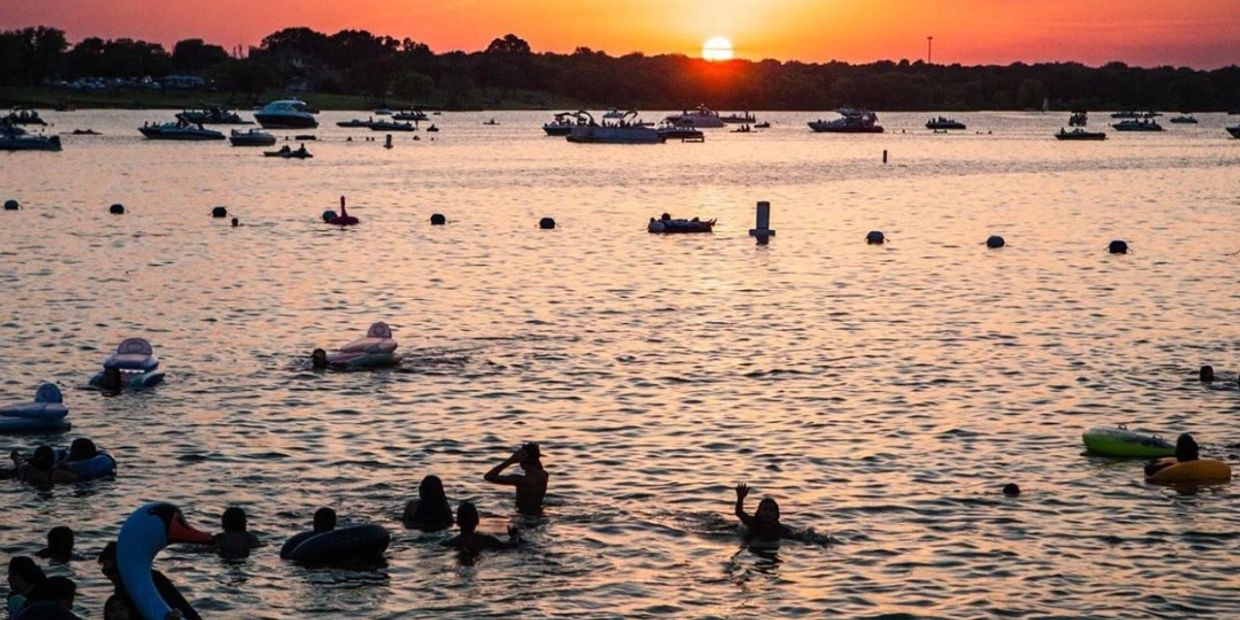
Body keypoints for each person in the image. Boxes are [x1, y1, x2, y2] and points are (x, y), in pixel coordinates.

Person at [99, 541, 200, 620]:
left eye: (112, 571)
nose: (109, 577)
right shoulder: (121, 589)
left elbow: (180, 608)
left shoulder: (151, 580)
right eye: (105, 572)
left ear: (122, 567)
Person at [484, 443, 548, 515]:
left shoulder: (521, 480)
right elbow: (538, 466)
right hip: (539, 513)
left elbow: (488, 477)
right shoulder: (544, 475)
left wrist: (510, 461)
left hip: (524, 515)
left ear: (521, 463)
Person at [442, 501, 520, 555]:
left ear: (457, 522)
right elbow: (511, 546)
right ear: (477, 520)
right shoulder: (487, 540)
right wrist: (514, 536)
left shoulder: (449, 543)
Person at [12, 447, 77, 485]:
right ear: (51, 460)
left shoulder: (25, 469)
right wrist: (63, 464)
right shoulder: (57, 474)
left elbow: (18, 465)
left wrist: (15, 458)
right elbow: (75, 477)